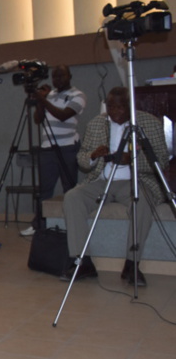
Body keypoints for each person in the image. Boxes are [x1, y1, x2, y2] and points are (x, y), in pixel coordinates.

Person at [61, 87, 168, 286]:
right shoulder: (96, 123)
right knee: (72, 197)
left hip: (135, 181)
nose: (115, 111)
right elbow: (82, 160)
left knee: (142, 201)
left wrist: (133, 160)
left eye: (120, 106)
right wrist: (93, 156)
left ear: (130, 106)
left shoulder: (149, 123)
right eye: (111, 106)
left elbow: (161, 161)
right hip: (101, 180)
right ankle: (83, 262)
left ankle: (131, 265)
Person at [23, 64, 86, 235]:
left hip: (67, 147)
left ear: (69, 76)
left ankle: (72, 224)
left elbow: (63, 115)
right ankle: (39, 225)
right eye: (55, 76)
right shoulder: (49, 95)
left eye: (61, 76)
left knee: (70, 188)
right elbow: (38, 119)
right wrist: (40, 101)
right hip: (47, 148)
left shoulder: (78, 95)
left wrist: (42, 99)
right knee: (44, 189)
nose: (57, 80)